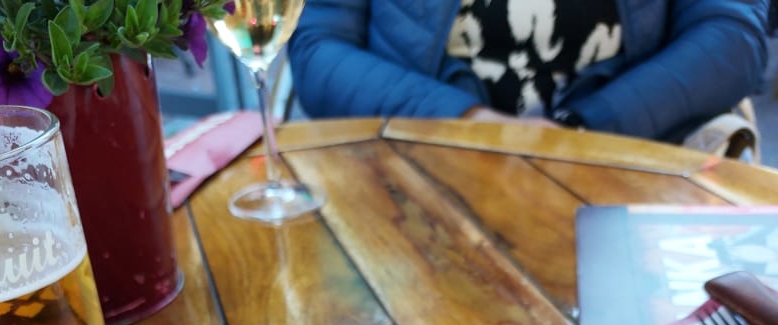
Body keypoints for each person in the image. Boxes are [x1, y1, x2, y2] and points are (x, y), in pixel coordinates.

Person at [287, 0, 769, 145]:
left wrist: (580, 133)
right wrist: (470, 123)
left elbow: (732, 41)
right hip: (415, 165)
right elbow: (318, 50)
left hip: (629, 162)